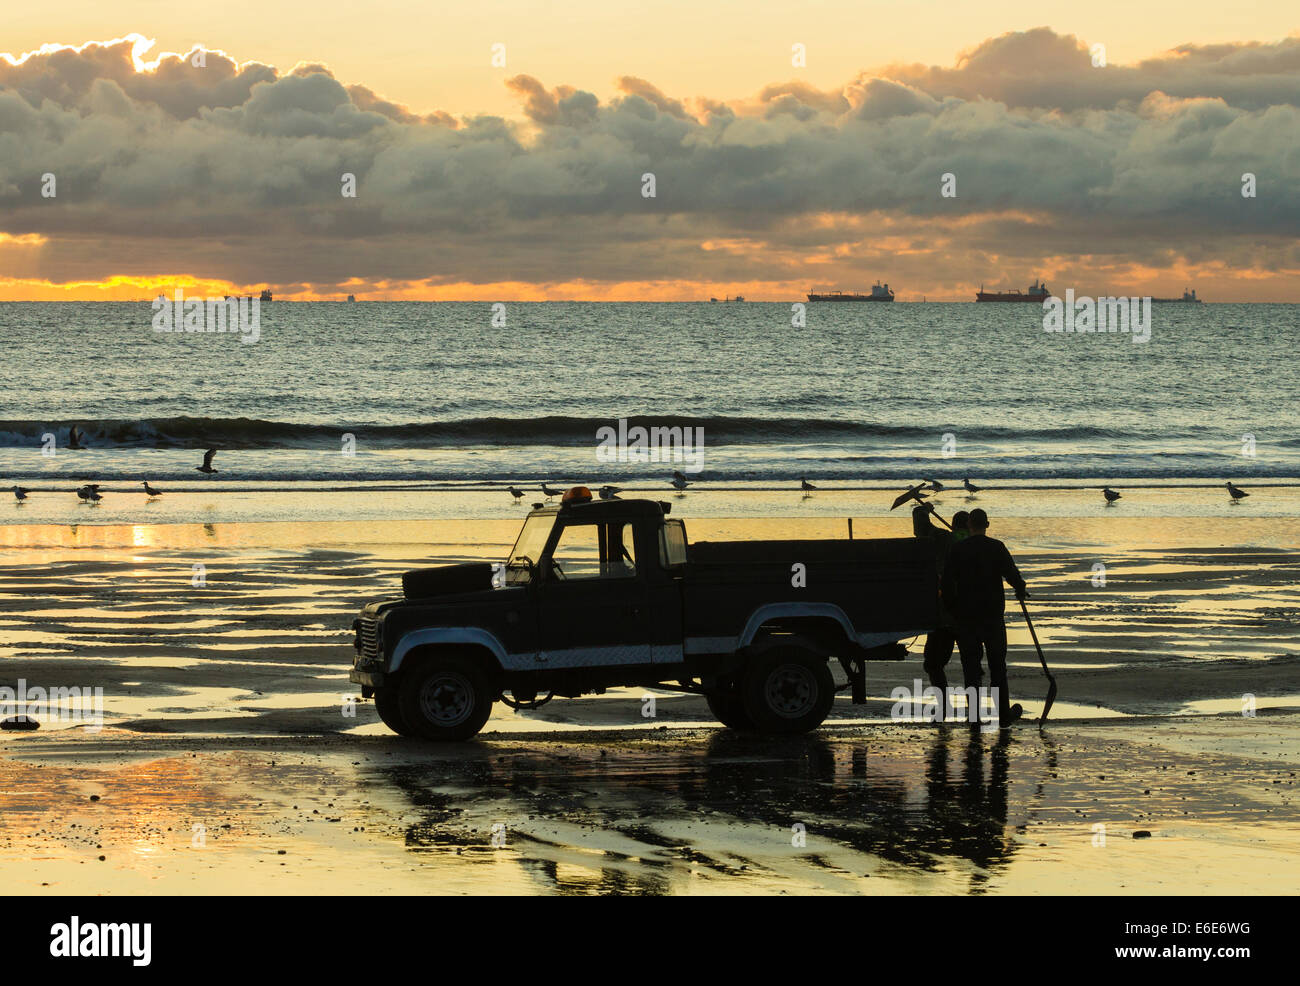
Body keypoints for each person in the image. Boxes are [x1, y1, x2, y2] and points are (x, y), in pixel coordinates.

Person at [941, 508, 1028, 728]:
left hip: (967, 617)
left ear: (969, 525)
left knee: (971, 667)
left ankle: (974, 717)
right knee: (998, 666)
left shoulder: (958, 550)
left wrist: (951, 608)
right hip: (992, 617)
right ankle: (1003, 716)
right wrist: (1020, 588)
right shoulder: (996, 547)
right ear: (986, 525)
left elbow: (948, 582)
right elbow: (1011, 573)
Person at [912, 503, 977, 719]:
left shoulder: (943, 540)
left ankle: (944, 708)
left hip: (945, 616)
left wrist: (923, 510)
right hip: (969, 617)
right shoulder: (976, 544)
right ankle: (974, 713)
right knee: (972, 666)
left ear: (953, 525)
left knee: (933, 663)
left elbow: (922, 529)